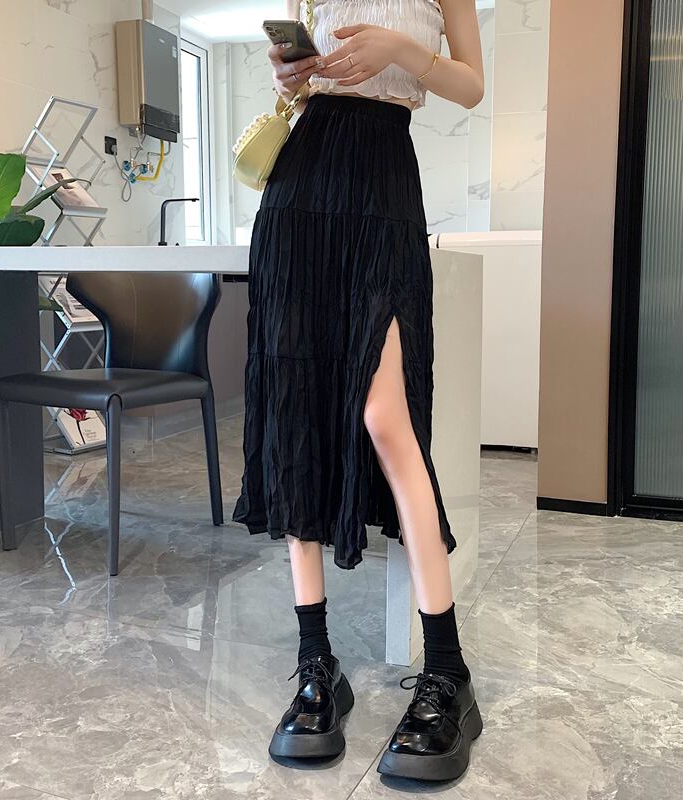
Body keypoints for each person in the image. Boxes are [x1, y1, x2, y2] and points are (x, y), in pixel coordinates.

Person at [233, 0, 484, 782]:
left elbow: (470, 85)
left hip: (382, 183)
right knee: (295, 408)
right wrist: (290, 73)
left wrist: (399, 50)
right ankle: (316, 663)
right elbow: (293, 85)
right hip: (297, 194)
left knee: (385, 416)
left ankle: (447, 670)